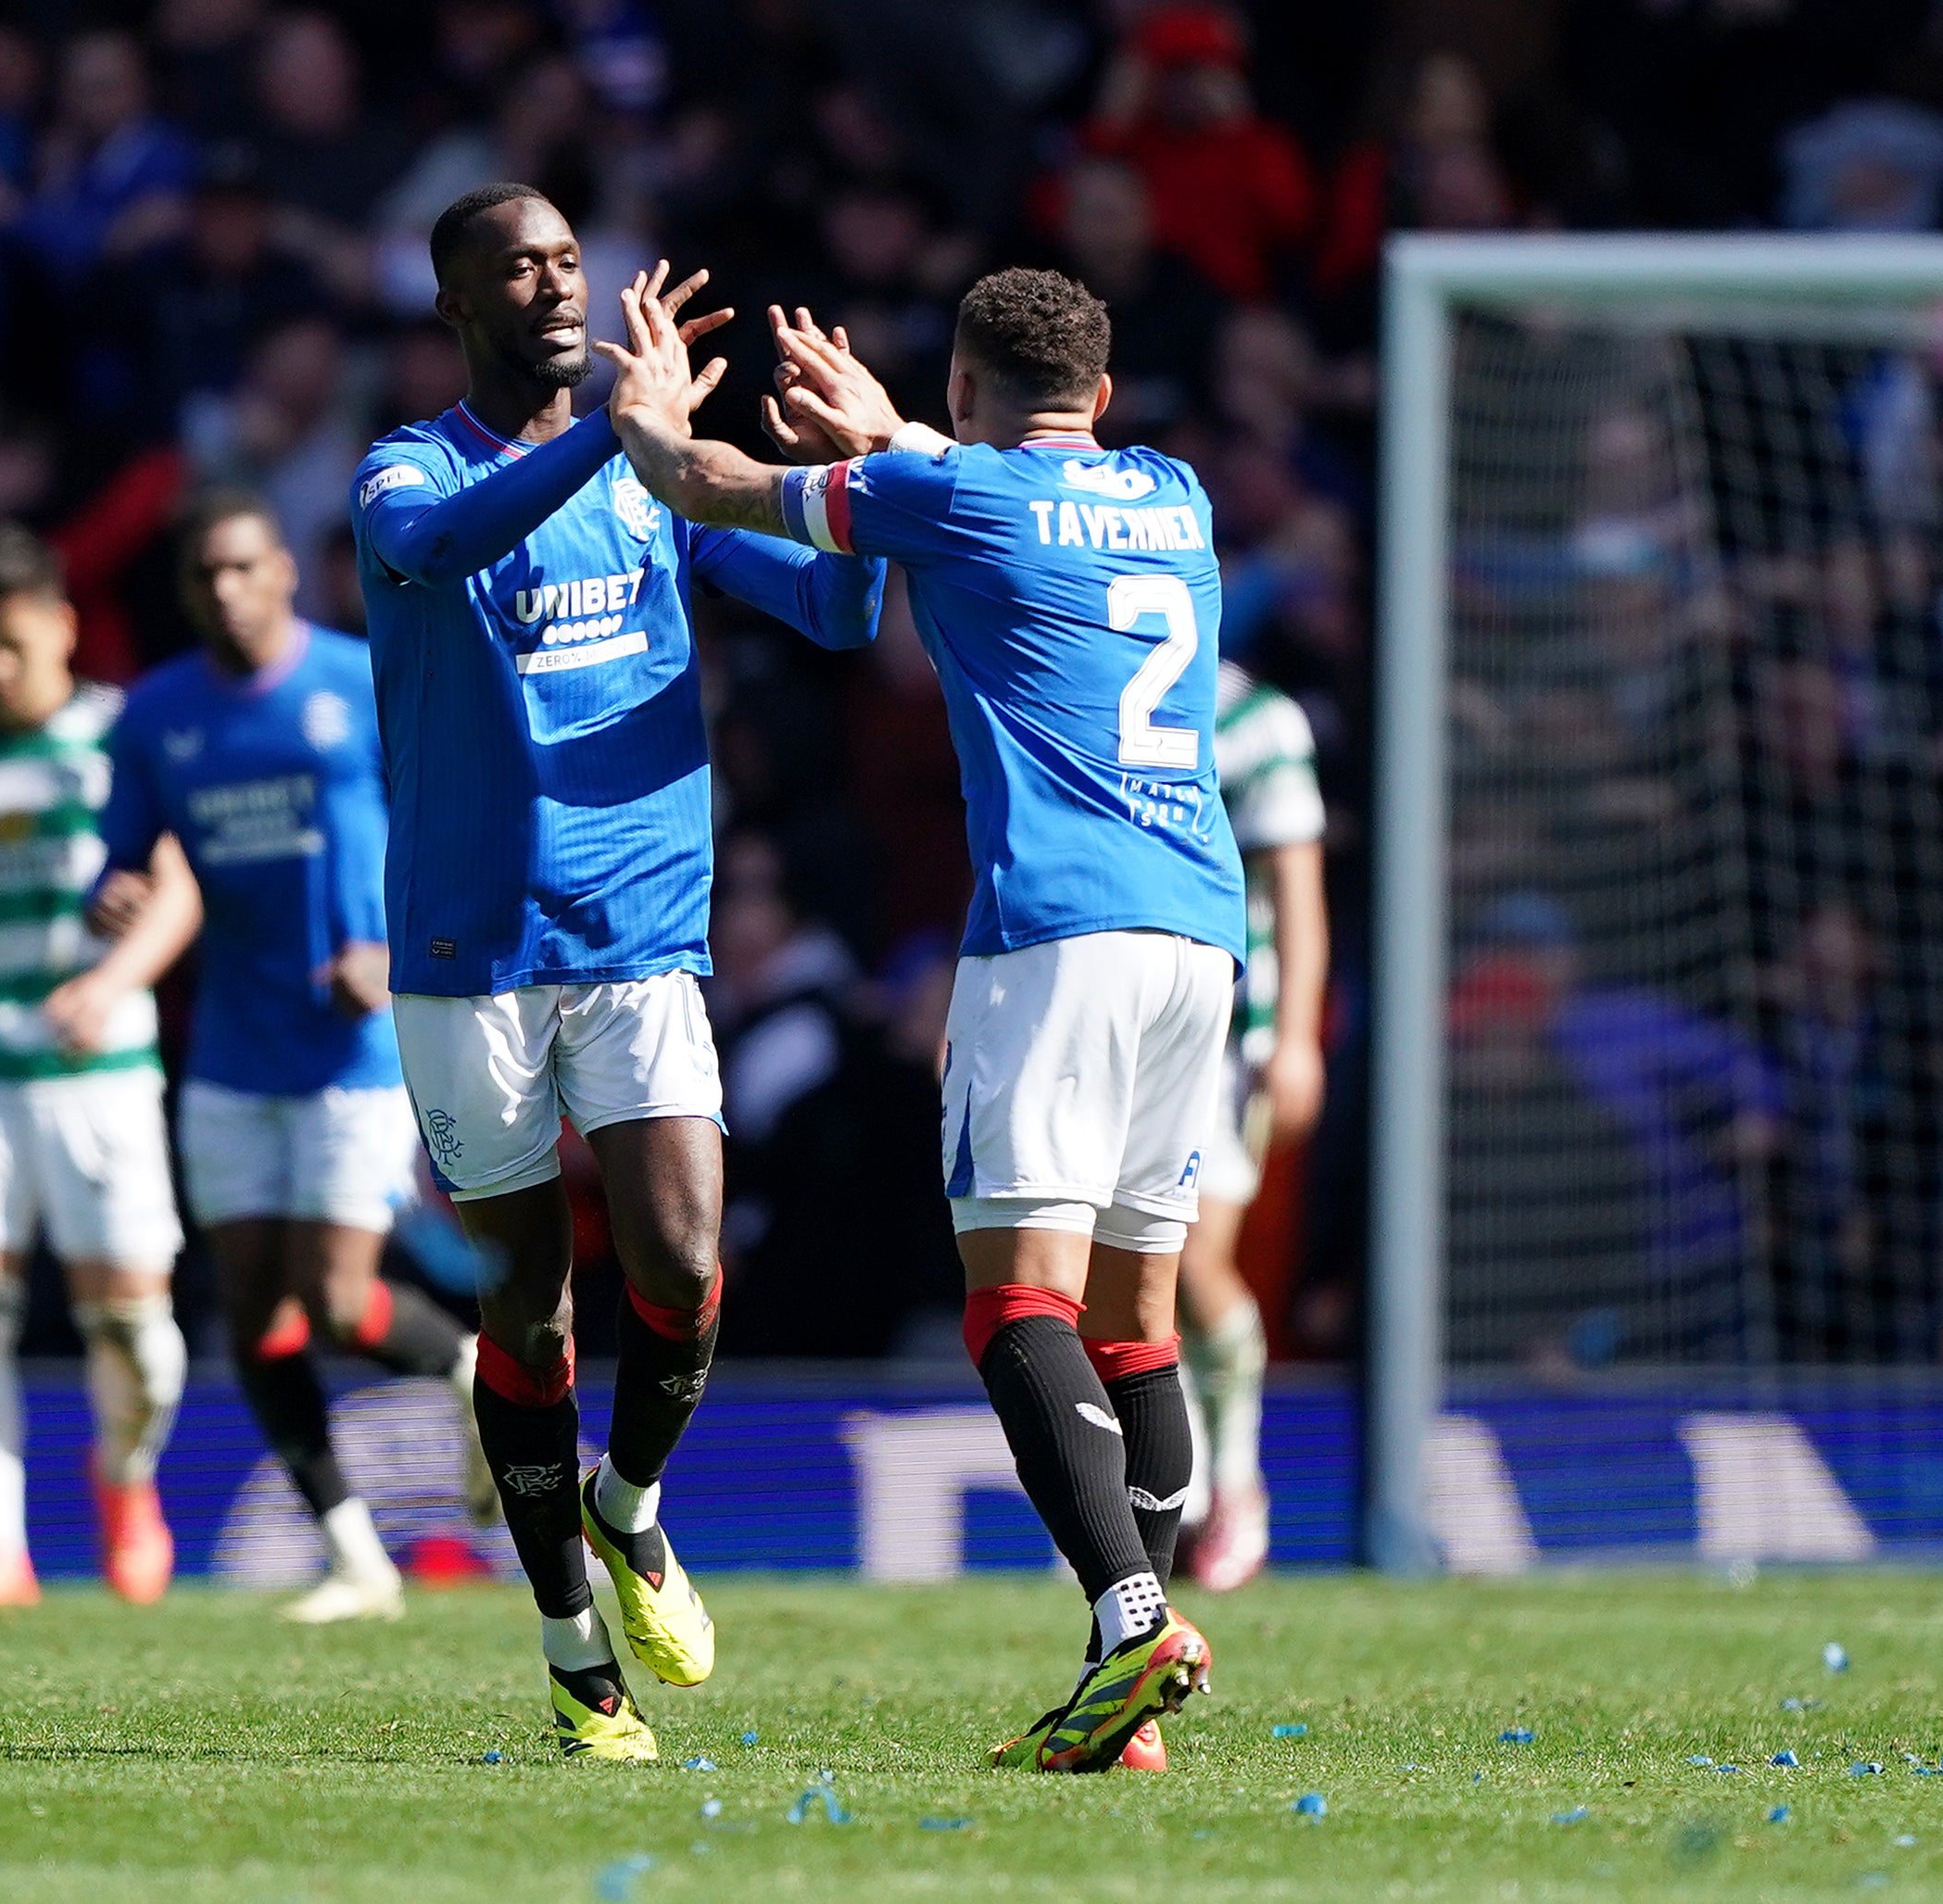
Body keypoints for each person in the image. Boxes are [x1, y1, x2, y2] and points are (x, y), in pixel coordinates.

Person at [600, 265, 1243, 1772]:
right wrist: (897, 434)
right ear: (1106, 390)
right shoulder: (1175, 494)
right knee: (1133, 1322)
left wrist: (638, 418)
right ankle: (1120, 1696)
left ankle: (1133, 1618)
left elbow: (714, 484)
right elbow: (994, 485)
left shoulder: (954, 502)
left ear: (962, 387)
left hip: (1055, 940)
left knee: (1014, 1303)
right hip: (1199, 940)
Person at [347, 183, 882, 1761]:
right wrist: (628, 440)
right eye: (516, 267)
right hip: (468, 953)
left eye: (568, 259)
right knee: (523, 1303)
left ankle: (628, 1507)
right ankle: (577, 1660)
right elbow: (442, 544)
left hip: (638, 936)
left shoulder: (645, 485)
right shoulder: (405, 471)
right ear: (456, 306)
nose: (554, 285)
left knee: (683, 1263)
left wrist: (836, 474)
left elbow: (839, 614)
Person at [102, 489, 493, 1627]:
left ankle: (470, 1368)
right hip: (231, 1050)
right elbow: (121, 862)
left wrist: (399, 947)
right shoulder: (156, 717)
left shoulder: (358, 680)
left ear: (281, 571)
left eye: (241, 568)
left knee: (332, 1298)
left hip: (353, 1048)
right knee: (253, 1313)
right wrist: (111, 897)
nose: (224, 592)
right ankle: (354, 1557)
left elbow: (446, 818)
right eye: (203, 576)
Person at [0, 525, 200, 1611]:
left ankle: (124, 1482)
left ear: (64, 629)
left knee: (133, 1326)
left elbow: (178, 886)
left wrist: (115, 977)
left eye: (14, 644)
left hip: (102, 1067)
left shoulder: (121, 735)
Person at [1175, 657, 1326, 1592]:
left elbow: (1297, 893)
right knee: (1115, 1268)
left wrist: (1298, 1035)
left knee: (1190, 1263)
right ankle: (1178, 1495)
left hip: (1224, 1032)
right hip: (1107, 1018)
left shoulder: (1258, 719)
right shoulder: (1079, 680)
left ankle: (1232, 1486)